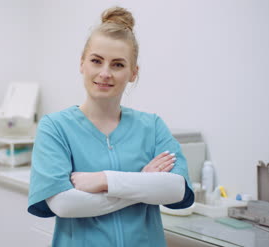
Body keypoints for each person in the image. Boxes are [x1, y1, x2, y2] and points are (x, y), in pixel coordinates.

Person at [28, 6, 194, 247]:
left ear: (133, 73)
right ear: (82, 64)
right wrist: (142, 182)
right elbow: (65, 204)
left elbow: (176, 189)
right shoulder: (55, 128)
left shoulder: (152, 126)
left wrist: (105, 180)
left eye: (117, 65)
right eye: (96, 61)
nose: (105, 73)